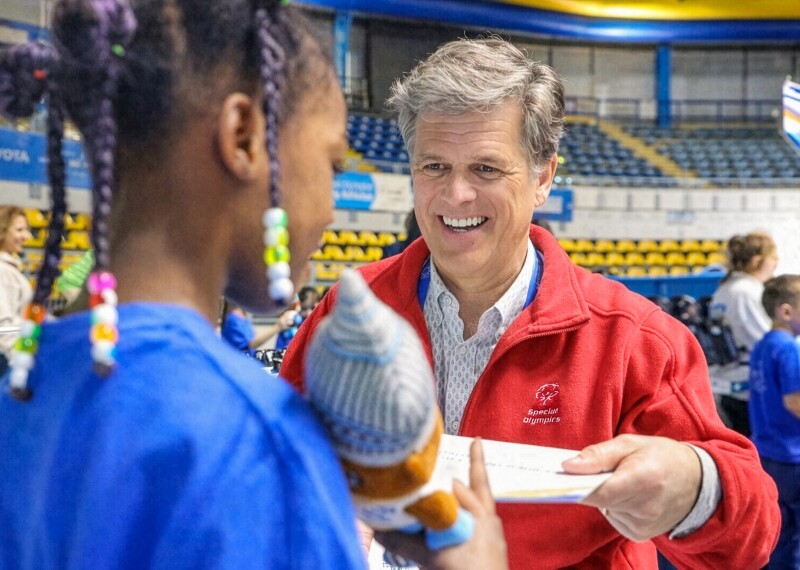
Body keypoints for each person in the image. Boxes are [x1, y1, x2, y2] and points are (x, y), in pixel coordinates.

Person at [0, 3, 506, 569]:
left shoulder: (24, 380)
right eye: (331, 166)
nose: (332, 208)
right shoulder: (261, 445)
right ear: (243, 136)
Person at [281, 37, 780, 569]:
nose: (456, 195)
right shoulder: (349, 312)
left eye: (486, 170)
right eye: (433, 167)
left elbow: (750, 540)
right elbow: (280, 460)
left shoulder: (631, 338)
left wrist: (692, 488)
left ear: (543, 177)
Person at [749, 274, 800, 569]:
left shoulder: (762, 345)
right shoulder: (789, 348)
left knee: (780, 532)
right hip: (792, 455)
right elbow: (794, 401)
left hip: (768, 452)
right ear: (786, 311)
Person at [710, 232, 779, 436]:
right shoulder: (746, 291)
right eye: (773, 258)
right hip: (743, 388)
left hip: (728, 383)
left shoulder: (726, 289)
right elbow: (766, 339)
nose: (776, 264)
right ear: (758, 261)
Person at [0, 205, 33, 377]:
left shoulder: (9, 269)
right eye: (19, 230)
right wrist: (19, 365)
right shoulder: (2, 271)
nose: (26, 237)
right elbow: (3, 327)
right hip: (6, 363)